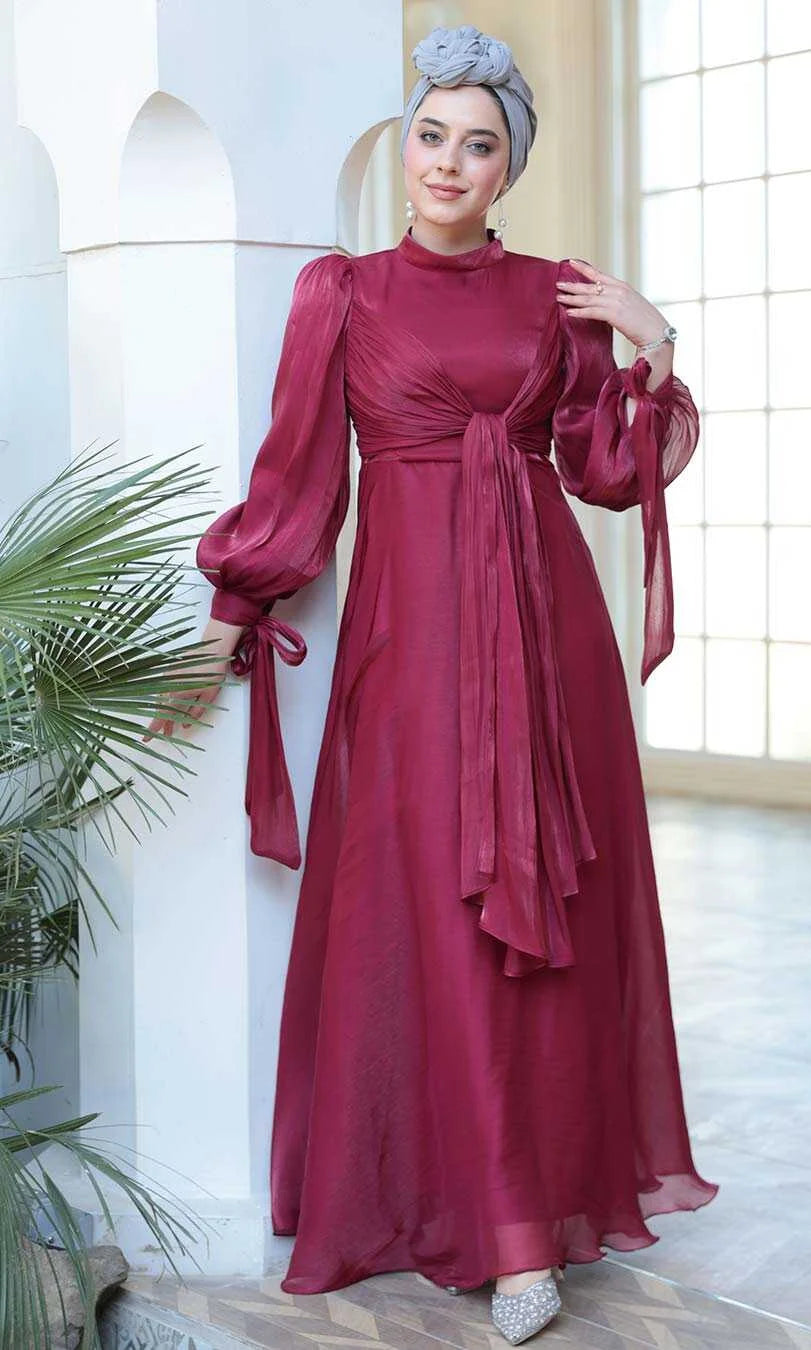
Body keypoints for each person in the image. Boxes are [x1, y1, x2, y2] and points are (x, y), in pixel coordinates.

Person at [147, 23, 719, 1346]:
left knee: (542, 927)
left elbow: (605, 471)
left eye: (480, 144)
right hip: (409, 646)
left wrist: (651, 341)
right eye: (431, 135)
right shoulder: (340, 294)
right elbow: (298, 478)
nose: (449, 161)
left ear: (508, 169)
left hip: (547, 642)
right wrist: (232, 612)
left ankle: (527, 1240)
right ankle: (443, 1198)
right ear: (404, 147)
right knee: (442, 921)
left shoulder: (555, 296)